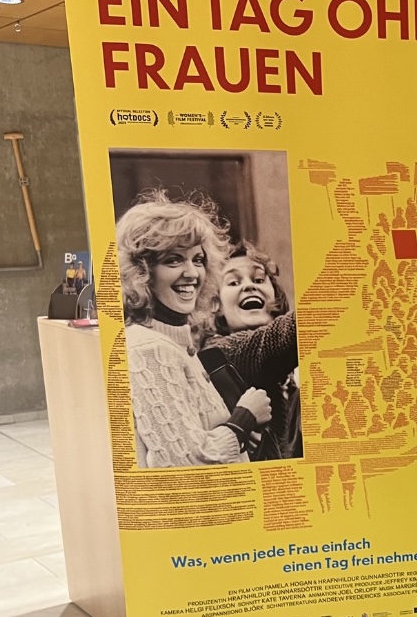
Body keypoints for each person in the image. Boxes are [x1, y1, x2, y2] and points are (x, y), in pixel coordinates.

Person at [117, 191, 272, 468]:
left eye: (198, 260)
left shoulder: (174, 341)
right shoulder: (149, 348)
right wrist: (243, 420)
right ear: (141, 272)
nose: (192, 273)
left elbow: (190, 438)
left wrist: (235, 432)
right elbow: (185, 463)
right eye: (174, 260)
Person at [196, 241, 302, 460]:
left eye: (259, 279)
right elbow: (277, 340)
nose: (248, 286)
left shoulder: (291, 378)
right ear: (215, 304)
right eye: (234, 282)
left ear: (275, 297)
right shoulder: (219, 352)